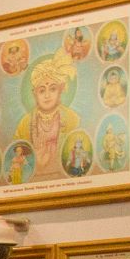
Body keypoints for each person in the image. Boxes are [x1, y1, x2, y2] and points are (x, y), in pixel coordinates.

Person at [16, 52, 81, 182]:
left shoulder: (71, 118)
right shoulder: (25, 122)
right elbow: (18, 151)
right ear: (34, 94)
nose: (47, 95)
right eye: (41, 90)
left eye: (52, 89)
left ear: (61, 90)